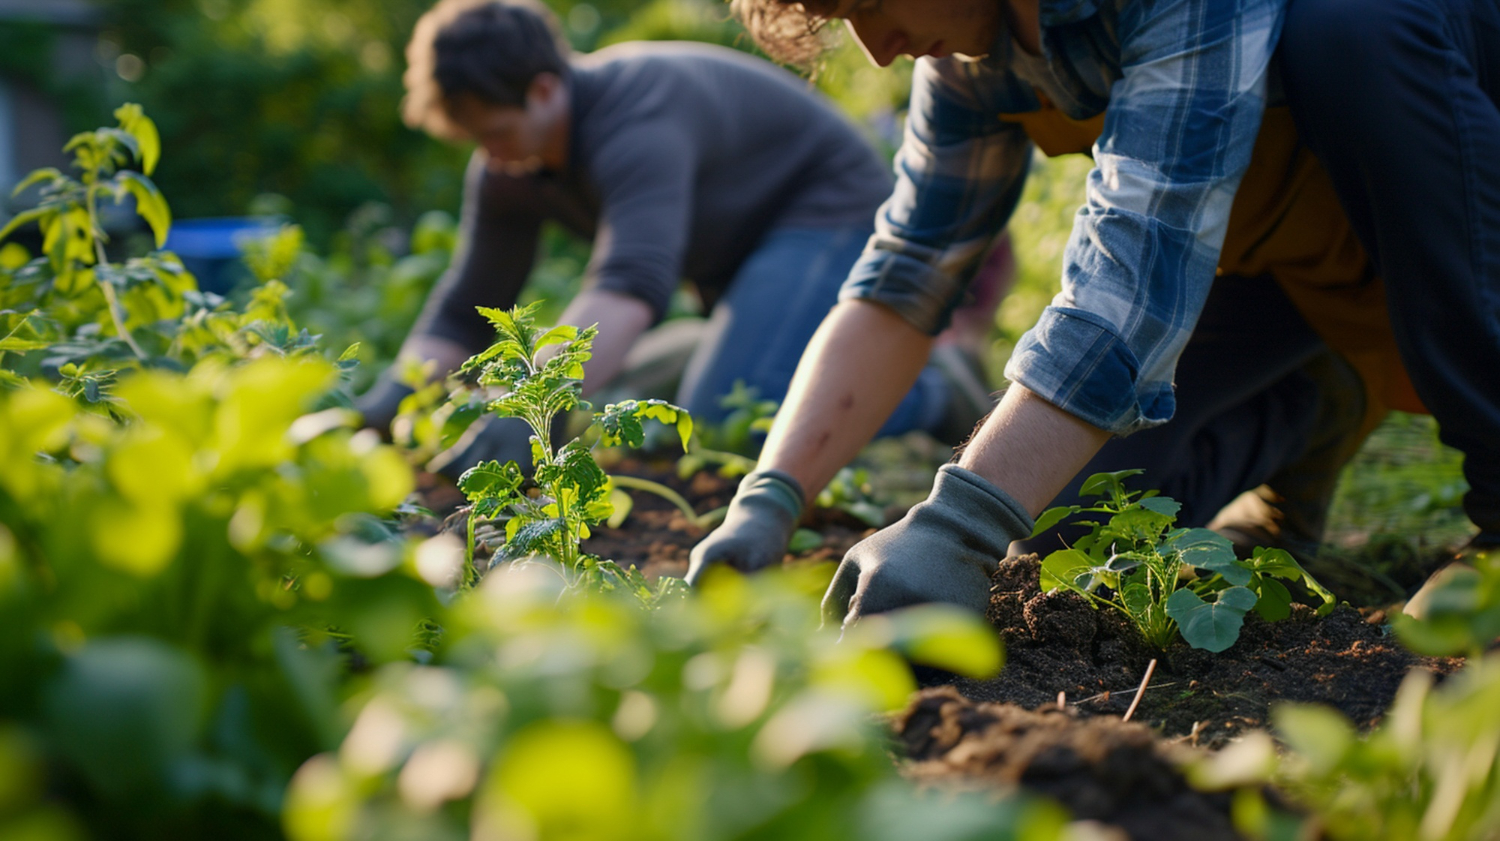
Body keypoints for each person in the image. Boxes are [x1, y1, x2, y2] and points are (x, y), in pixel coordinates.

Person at [687, 0, 1433, 622]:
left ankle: (1345, 381)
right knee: (1058, 527)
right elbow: (907, 273)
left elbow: (1133, 268)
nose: (878, 52)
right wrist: (770, 496)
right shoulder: (965, 59)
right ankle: (1315, 401)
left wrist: (959, 524)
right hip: (1233, 273)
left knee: (1007, 508)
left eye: (871, 3)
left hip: (1395, 256)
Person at [357, 0, 999, 474]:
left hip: (830, 215)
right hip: (748, 262)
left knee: (728, 416)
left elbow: (632, 283)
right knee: (646, 395)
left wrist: (531, 413)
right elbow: (467, 302)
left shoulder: (636, 113)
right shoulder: (510, 164)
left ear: (545, 90)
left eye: (494, 132)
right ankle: (727, 348)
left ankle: (935, 385)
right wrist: (381, 406)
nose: (488, 156)